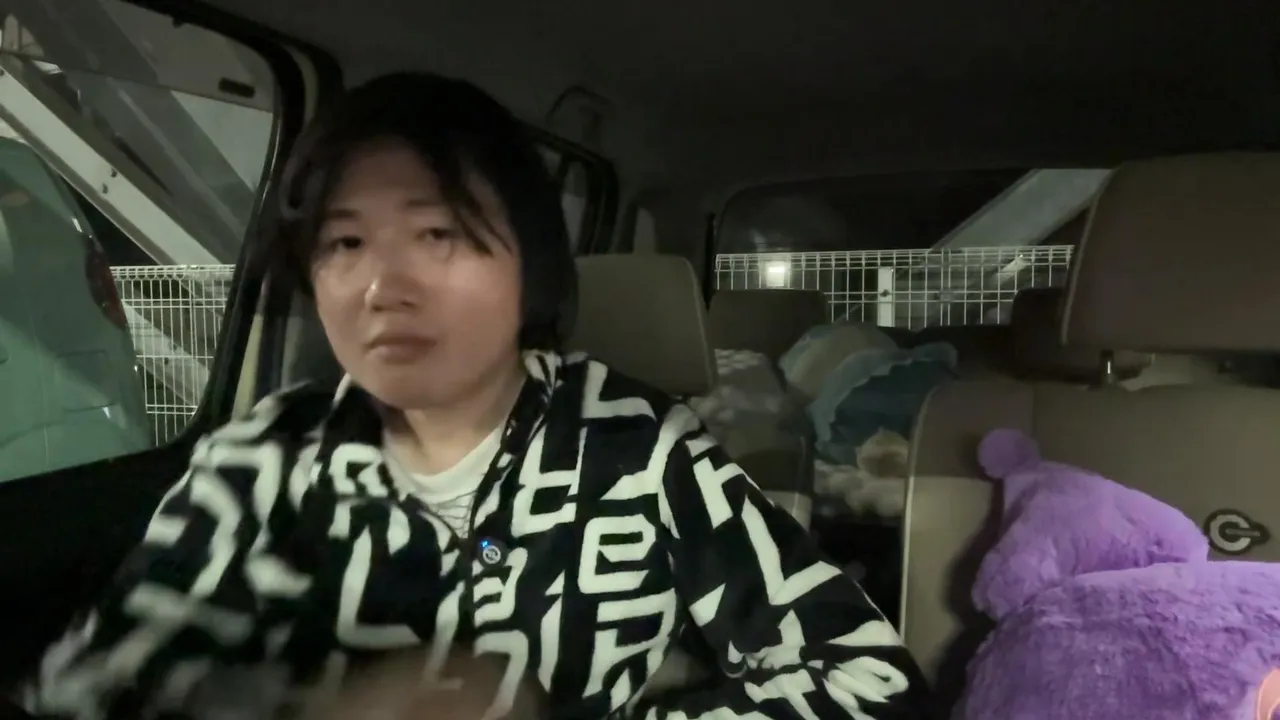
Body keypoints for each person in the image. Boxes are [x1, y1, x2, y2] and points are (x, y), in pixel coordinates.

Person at [17, 72, 930, 719]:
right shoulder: (257, 461)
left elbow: (868, 684)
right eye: (344, 244)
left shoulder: (638, 450)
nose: (385, 287)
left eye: (438, 234)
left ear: (528, 262)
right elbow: (84, 692)